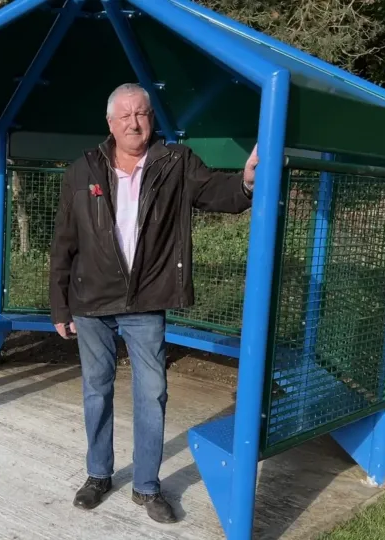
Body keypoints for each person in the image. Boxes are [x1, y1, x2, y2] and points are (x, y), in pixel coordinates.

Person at [49, 83, 258, 523]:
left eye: (140, 113)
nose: (133, 122)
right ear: (110, 123)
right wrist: (59, 305)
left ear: (151, 119)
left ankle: (146, 487)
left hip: (146, 302)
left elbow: (218, 192)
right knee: (96, 392)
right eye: (123, 115)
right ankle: (98, 475)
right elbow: (64, 241)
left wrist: (246, 181)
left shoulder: (174, 162)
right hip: (90, 301)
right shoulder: (82, 169)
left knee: (153, 393)